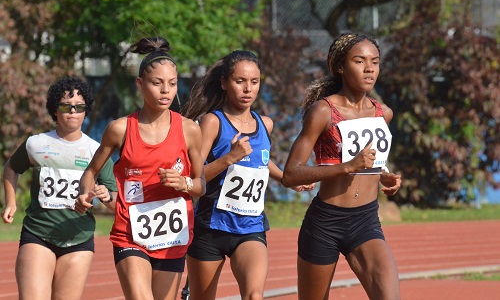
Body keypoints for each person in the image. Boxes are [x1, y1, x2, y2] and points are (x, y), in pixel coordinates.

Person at [74, 36, 205, 300]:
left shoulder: (190, 130)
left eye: (171, 84)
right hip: (129, 233)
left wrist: (184, 183)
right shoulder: (120, 129)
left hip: (172, 236)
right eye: (157, 83)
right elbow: (91, 171)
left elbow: (201, 184)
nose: (165, 91)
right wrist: (85, 194)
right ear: (140, 84)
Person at [181, 50, 313, 300]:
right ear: (224, 83)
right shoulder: (212, 122)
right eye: (240, 81)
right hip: (211, 228)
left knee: (254, 295)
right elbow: (194, 177)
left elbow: (260, 160)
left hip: (250, 227)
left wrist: (286, 180)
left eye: (254, 82)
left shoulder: (266, 124)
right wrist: (229, 158)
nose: (247, 89)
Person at [282, 32, 402, 300]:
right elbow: (291, 174)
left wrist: (384, 176)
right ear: (340, 67)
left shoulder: (384, 113)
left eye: (375, 61)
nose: (369, 68)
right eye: (359, 61)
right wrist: (347, 167)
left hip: (366, 221)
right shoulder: (323, 111)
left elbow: (370, 161)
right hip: (326, 223)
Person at [1, 77, 118, 300]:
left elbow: (115, 202)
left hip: (79, 240)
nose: (72, 111)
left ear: (86, 111)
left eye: (79, 107)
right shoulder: (36, 144)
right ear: (55, 110)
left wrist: (105, 195)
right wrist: (11, 203)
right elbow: (11, 169)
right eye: (66, 106)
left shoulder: (97, 151)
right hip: (38, 235)